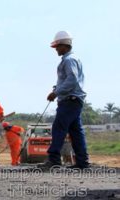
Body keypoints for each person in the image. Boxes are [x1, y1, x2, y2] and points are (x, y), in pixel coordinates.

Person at [40, 31, 89, 169]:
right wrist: (58, 87)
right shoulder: (72, 59)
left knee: (58, 128)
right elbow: (69, 79)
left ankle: (54, 159)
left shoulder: (69, 60)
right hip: (74, 101)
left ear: (65, 45)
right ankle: (82, 162)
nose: (55, 49)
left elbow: (72, 80)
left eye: (57, 46)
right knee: (76, 132)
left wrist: (56, 92)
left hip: (69, 100)